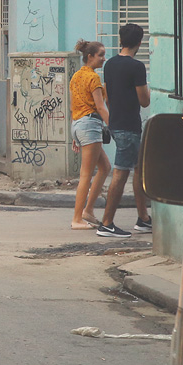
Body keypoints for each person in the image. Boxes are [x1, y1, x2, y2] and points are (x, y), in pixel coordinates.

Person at [100, 24, 153, 236]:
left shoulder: (110, 64)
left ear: (121, 39)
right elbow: (145, 101)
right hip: (129, 125)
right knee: (121, 173)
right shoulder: (137, 67)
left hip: (116, 122)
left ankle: (144, 218)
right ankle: (106, 223)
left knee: (138, 170)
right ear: (139, 43)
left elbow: (108, 95)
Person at [69, 39, 115, 233]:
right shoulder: (93, 78)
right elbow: (99, 106)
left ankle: (88, 211)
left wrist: (76, 134)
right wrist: (115, 125)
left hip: (79, 124)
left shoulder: (76, 76)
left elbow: (75, 105)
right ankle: (77, 218)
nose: (104, 59)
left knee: (104, 167)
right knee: (86, 174)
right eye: (101, 55)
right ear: (90, 57)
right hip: (89, 124)